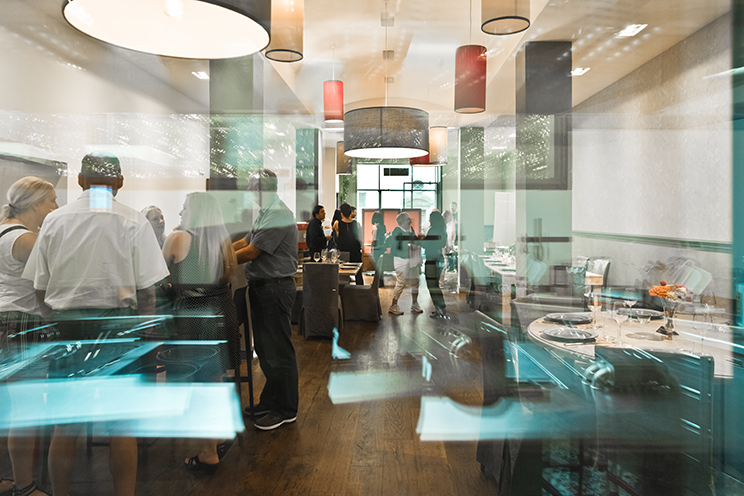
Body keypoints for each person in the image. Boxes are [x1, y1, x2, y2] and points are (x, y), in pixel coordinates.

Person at [23, 152, 169, 496]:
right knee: (121, 425)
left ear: (79, 180)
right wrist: (148, 330)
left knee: (66, 424)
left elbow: (40, 288)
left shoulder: (55, 221)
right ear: (120, 181)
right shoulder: (133, 221)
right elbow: (147, 292)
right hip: (119, 330)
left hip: (68, 329)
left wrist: (63, 317)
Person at [162, 192, 240, 473]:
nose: (180, 213)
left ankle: (208, 452)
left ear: (193, 212)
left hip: (195, 320)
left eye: (184, 208)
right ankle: (216, 437)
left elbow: (157, 277)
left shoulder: (179, 238)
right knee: (212, 382)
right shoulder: (223, 243)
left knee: (198, 387)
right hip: (223, 314)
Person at [0, 177, 57, 496]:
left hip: (4, 319)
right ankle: (25, 486)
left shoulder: (3, 230)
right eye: (51, 201)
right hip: (22, 322)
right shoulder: (27, 240)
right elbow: (44, 289)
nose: (55, 207)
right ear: (36, 204)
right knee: (24, 412)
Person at [233, 169, 299, 431]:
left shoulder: (277, 213)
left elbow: (251, 252)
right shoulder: (266, 212)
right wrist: (220, 248)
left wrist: (215, 260)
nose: (249, 191)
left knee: (278, 351)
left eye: (252, 186)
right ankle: (271, 401)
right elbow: (245, 241)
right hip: (265, 288)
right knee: (266, 350)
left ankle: (285, 409)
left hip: (275, 288)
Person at [387, 212, 422, 315]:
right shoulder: (397, 231)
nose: (410, 220)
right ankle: (393, 306)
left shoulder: (411, 230)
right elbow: (395, 247)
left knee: (415, 282)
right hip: (401, 260)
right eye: (408, 218)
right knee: (401, 283)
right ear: (402, 221)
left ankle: (414, 304)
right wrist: (407, 245)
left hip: (412, 260)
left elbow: (415, 241)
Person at [422, 210, 447, 318]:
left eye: (430, 218)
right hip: (439, 258)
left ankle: (439, 308)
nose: (429, 220)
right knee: (436, 285)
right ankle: (441, 308)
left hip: (432, 259)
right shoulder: (443, 230)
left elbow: (426, 245)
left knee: (432, 285)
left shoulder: (433, 230)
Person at [333, 203, 363, 285]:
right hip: (355, 252)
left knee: (342, 274)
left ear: (341, 213)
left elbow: (337, 238)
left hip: (343, 252)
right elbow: (360, 239)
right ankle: (360, 291)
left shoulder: (337, 224)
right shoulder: (357, 224)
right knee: (358, 275)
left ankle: (344, 291)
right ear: (351, 213)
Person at [370, 211, 387, 287]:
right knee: (381, 266)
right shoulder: (383, 226)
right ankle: (381, 282)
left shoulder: (375, 227)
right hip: (382, 247)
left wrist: (372, 248)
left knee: (377, 266)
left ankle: (376, 283)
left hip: (376, 248)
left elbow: (374, 239)